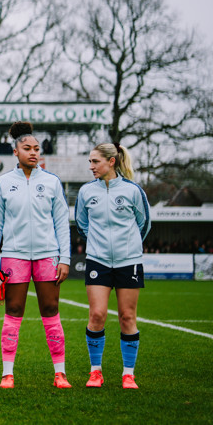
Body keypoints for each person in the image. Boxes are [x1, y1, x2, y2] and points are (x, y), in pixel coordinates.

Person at [0, 122, 71, 389]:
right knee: (13, 311)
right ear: (16, 152)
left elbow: (61, 223)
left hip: (48, 256)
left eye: (37, 148)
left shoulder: (52, 182)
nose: (34, 152)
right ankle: (7, 373)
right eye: (27, 148)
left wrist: (65, 258)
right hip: (13, 256)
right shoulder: (3, 183)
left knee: (50, 310)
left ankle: (60, 373)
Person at [76, 143, 150, 389]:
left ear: (111, 161)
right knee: (97, 315)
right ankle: (95, 372)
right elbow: (82, 224)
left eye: (95, 161)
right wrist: (98, 245)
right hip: (98, 260)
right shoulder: (87, 192)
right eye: (89, 161)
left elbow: (143, 224)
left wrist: (127, 246)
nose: (91, 166)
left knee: (127, 317)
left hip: (129, 261)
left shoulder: (133, 191)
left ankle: (128, 374)